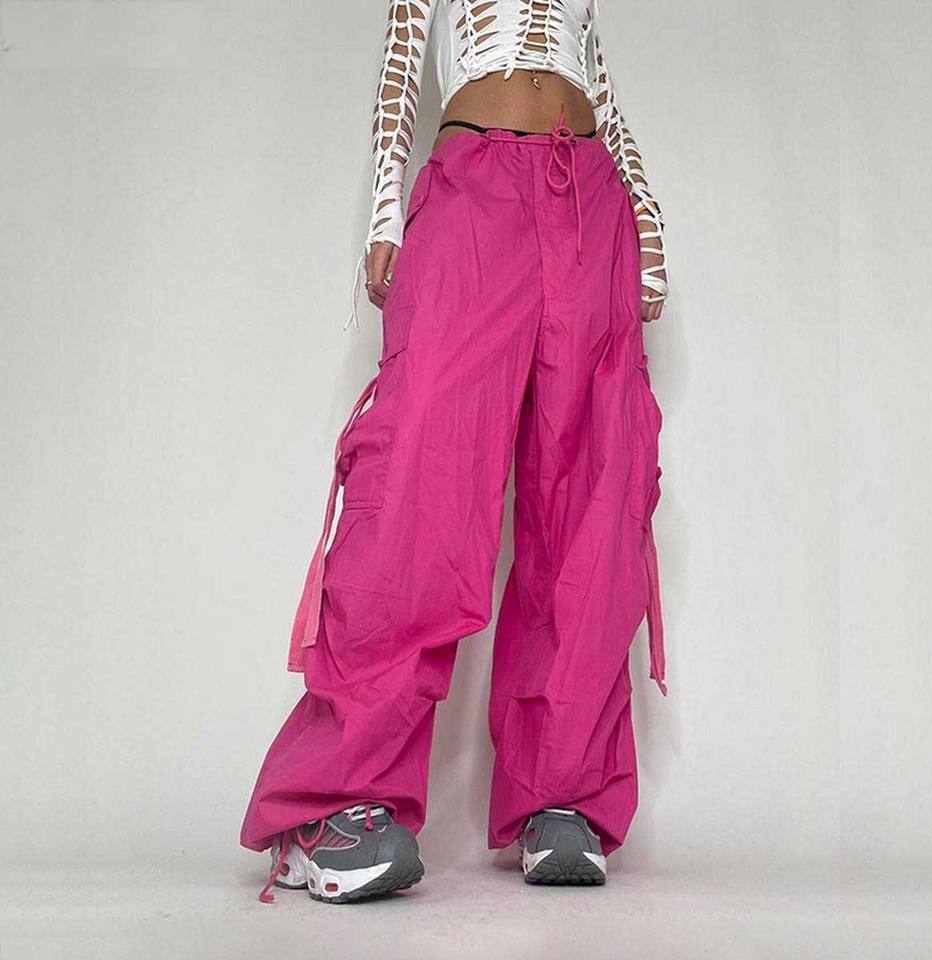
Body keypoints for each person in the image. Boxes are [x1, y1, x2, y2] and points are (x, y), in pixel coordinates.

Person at [242, 0, 669, 904]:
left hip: (591, 202)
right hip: (473, 187)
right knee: (421, 479)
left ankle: (563, 795)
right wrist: (385, 213)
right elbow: (403, 64)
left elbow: (600, 84)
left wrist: (646, 217)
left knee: (597, 487)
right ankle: (338, 802)